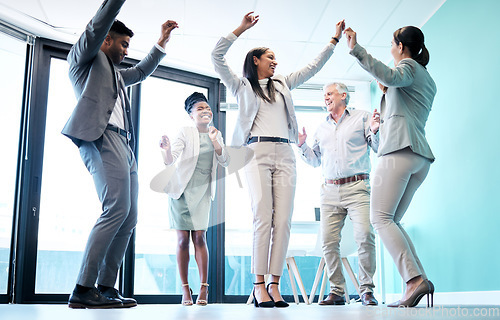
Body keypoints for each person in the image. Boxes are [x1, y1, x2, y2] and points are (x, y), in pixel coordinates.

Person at [212, 11, 345, 308]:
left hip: (285, 152)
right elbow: (216, 56)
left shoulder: (283, 83)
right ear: (255, 61)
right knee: (263, 219)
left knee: (283, 221)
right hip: (256, 153)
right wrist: (241, 29)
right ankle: (258, 283)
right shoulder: (241, 85)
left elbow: (312, 67)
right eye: (269, 57)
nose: (275, 62)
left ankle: (275, 283)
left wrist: (333, 40)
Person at [63, 0, 178, 309]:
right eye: (124, 44)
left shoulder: (116, 74)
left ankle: (104, 286)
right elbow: (97, 24)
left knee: (129, 216)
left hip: (125, 145)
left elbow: (140, 72)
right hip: (101, 139)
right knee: (115, 209)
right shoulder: (85, 60)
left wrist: (162, 42)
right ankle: (83, 288)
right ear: (107, 40)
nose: (127, 50)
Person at [345, 25, 436, 307]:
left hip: (399, 151)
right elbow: (402, 98)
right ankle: (419, 280)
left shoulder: (407, 66)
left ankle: (413, 281)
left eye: (391, 45)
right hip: (419, 157)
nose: (391, 50)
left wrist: (356, 49)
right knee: (391, 220)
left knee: (380, 219)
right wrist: (387, 93)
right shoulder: (426, 77)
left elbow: (391, 73)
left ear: (399, 46)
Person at [297, 82, 380, 306]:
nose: (325, 98)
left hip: (357, 187)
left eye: (329, 94)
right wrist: (302, 146)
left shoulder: (362, 118)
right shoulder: (321, 127)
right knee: (328, 242)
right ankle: (337, 292)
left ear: (344, 95)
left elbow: (377, 147)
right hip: (329, 190)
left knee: (364, 236)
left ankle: (366, 290)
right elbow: (314, 160)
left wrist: (374, 131)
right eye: (324, 95)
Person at [159, 92, 229, 306]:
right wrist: (167, 150)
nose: (205, 111)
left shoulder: (216, 133)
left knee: (200, 238)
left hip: (202, 193)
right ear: (191, 115)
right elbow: (171, 160)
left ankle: (204, 288)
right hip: (181, 191)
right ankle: (185, 289)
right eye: (200, 109)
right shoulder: (186, 132)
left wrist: (216, 140)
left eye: (207, 108)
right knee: (182, 241)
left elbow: (224, 160)